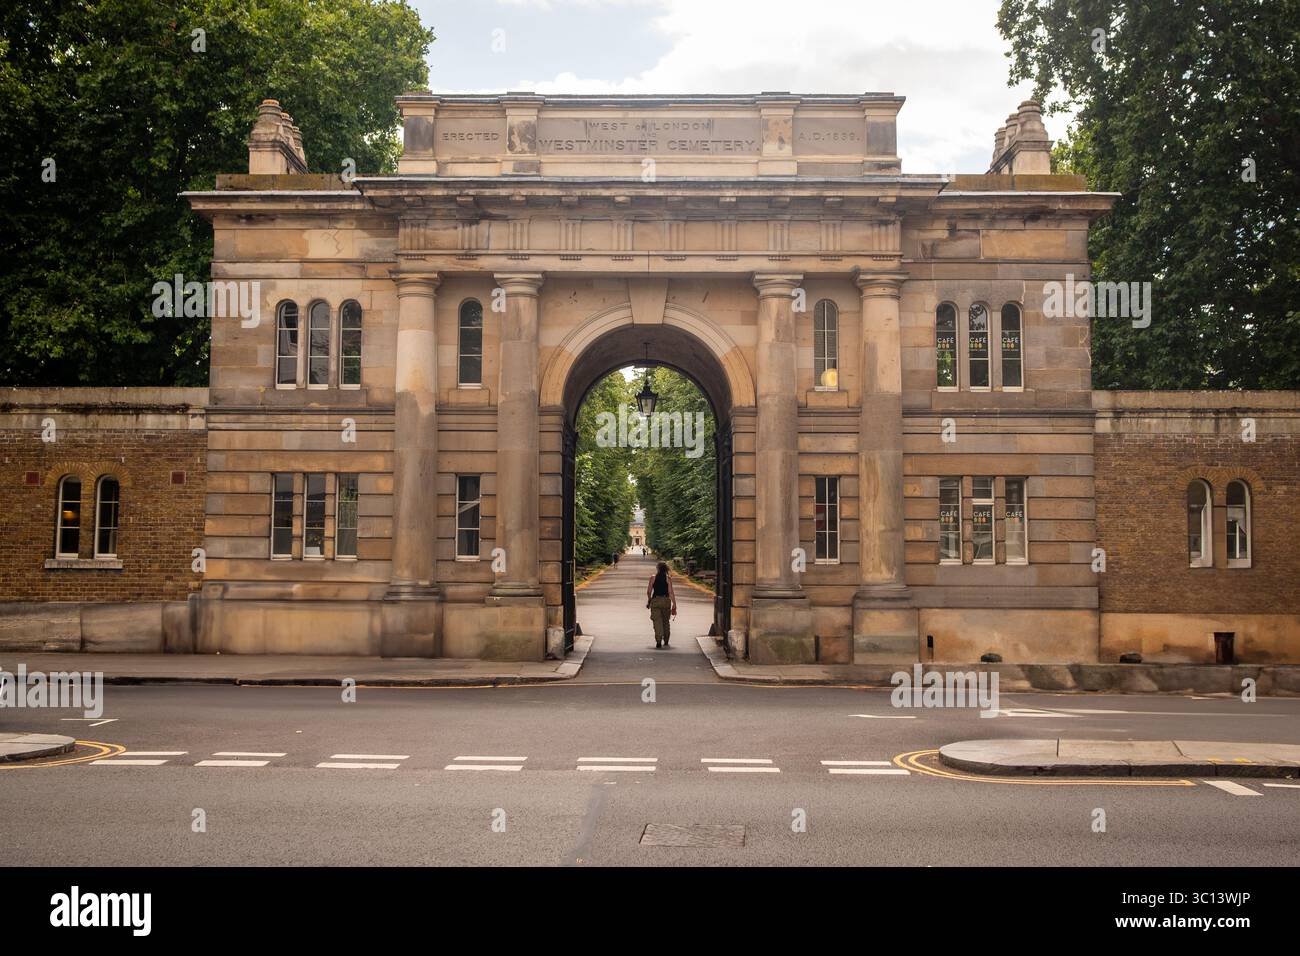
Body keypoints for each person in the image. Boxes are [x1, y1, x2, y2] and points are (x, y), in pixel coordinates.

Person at [645, 561, 677, 648]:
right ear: (666, 569)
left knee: (657, 621)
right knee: (666, 621)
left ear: (658, 569)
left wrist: (649, 600)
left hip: (656, 601)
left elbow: (648, 591)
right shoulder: (668, 578)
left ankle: (658, 640)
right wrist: (674, 604)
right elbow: (670, 592)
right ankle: (666, 640)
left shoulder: (653, 578)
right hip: (666, 601)